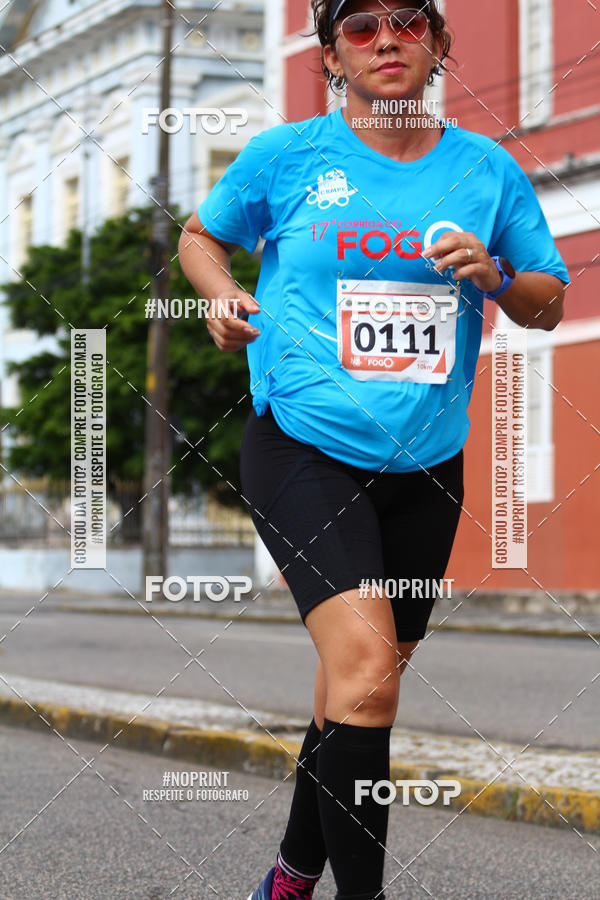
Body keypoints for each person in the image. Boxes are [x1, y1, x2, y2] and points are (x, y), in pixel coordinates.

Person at [178, 1, 569, 897]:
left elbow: (548, 300)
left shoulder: (486, 169)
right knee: (367, 674)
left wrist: (497, 276)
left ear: (438, 44)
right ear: (331, 58)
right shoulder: (287, 156)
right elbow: (202, 237)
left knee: (356, 686)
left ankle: (288, 878)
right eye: (360, 27)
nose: (386, 39)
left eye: (407, 21)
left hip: (428, 465)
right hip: (304, 445)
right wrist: (220, 295)